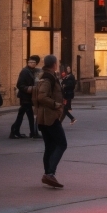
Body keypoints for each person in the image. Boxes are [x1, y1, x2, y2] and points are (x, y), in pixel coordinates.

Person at [35, 55, 67, 189]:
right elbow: (41, 96)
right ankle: (50, 173)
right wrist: (56, 104)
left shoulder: (45, 76)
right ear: (53, 64)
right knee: (61, 143)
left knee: (50, 146)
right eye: (57, 63)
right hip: (49, 117)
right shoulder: (48, 78)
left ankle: (47, 173)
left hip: (44, 117)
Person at [9, 55, 40, 139]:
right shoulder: (25, 71)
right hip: (25, 97)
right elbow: (20, 85)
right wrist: (30, 89)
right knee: (29, 115)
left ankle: (15, 131)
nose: (32, 63)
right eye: (31, 62)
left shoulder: (31, 71)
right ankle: (32, 133)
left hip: (28, 97)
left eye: (34, 62)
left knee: (21, 115)